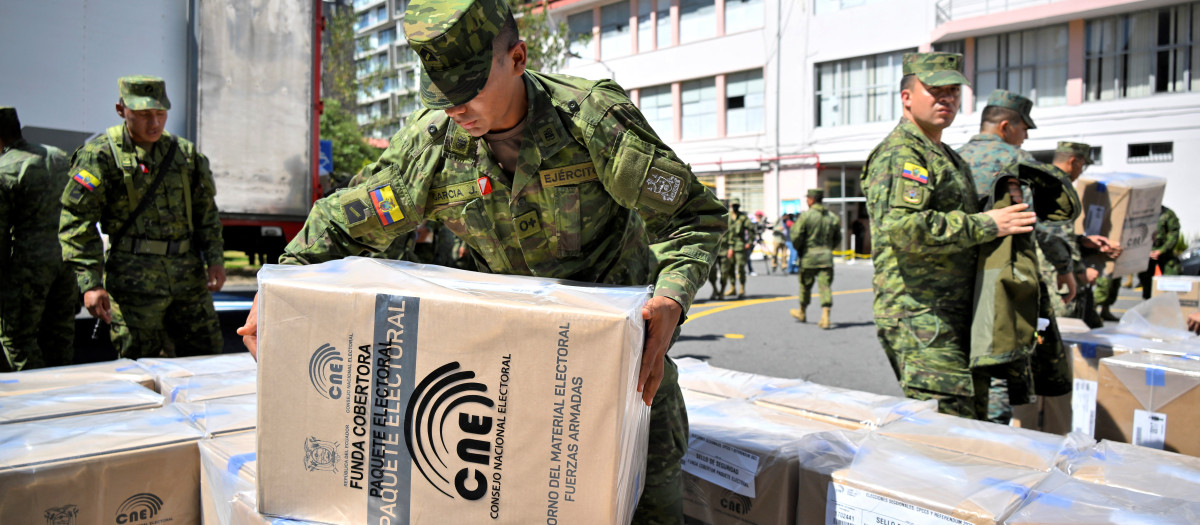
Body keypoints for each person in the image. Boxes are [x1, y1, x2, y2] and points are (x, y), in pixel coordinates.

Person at [237, 1, 727, 521]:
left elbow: (694, 216)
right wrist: (277, 292)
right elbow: (338, 223)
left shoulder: (590, 122)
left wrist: (671, 297)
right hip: (516, 383)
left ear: (517, 58)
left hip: (624, 372)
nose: (455, 108)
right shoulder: (433, 149)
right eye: (441, 94)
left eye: (468, 88)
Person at [861, 52, 1036, 419]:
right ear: (907, 97)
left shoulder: (947, 156)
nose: (947, 100)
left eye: (954, 92)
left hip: (954, 314)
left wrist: (1003, 200)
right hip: (922, 317)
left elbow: (960, 214)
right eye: (935, 91)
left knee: (972, 421)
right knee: (948, 431)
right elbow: (904, 228)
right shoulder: (902, 153)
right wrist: (991, 223)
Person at [59, 76, 226, 358]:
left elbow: (205, 213)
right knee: (140, 365)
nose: (154, 123)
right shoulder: (100, 155)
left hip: (187, 277)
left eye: (160, 114)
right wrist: (91, 283)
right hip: (133, 282)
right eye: (144, 114)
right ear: (121, 109)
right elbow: (77, 221)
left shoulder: (183, 154)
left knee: (206, 357)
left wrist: (215, 259)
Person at [0, 107, 80, 371]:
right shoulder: (58, 156)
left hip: (27, 266)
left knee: (18, 338)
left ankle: (39, 397)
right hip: (66, 262)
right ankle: (63, 397)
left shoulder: (4, 169)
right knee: (59, 335)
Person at [789, 189, 841, 328]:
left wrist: (800, 249)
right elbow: (838, 238)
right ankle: (825, 317)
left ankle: (802, 311)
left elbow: (796, 236)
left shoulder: (806, 216)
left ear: (811, 199)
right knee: (825, 287)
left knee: (805, 285)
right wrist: (828, 249)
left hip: (809, 257)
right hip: (826, 257)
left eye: (808, 199)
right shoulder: (832, 217)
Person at [1136, 205, 1181, 299]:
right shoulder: (1141, 214)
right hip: (1146, 255)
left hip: (1165, 254)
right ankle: (1149, 306)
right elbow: (1134, 234)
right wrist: (1145, 251)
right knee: (1147, 284)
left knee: (1171, 281)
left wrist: (1161, 250)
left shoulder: (1167, 214)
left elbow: (1173, 233)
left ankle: (1169, 306)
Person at [723, 198, 753, 299]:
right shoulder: (727, 217)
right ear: (731, 206)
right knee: (730, 268)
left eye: (737, 205)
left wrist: (749, 242)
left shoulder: (743, 217)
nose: (735, 207)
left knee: (741, 268)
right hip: (728, 247)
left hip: (740, 246)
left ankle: (742, 288)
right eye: (734, 205)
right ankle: (732, 288)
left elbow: (751, 229)